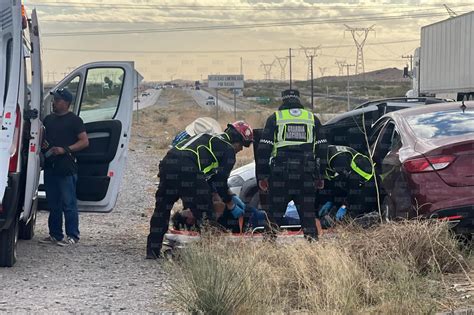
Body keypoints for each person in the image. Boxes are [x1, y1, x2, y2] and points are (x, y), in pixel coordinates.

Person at [146, 121, 254, 259]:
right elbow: (220, 182)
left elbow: (210, 178)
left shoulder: (208, 138)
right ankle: (209, 256)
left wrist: (228, 194)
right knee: (206, 214)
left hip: (168, 163)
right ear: (237, 140)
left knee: (162, 209)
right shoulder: (228, 151)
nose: (241, 150)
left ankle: (152, 251)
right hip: (188, 169)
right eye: (243, 145)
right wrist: (230, 203)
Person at [256, 89, 327, 240]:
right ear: (298, 100)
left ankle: (268, 246)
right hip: (306, 175)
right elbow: (322, 149)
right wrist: (321, 175)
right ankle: (313, 247)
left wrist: (262, 176)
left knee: (274, 215)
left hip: (281, 176)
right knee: (308, 215)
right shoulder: (312, 118)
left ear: (283, 100)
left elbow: (264, 149)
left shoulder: (275, 118)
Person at [39, 88, 89, 246]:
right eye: (54, 100)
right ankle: (55, 234)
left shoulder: (75, 121)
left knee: (69, 203)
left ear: (66, 103)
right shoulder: (48, 119)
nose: (54, 103)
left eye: (58, 100)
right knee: (53, 203)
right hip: (50, 167)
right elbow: (41, 137)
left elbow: (84, 141)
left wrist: (65, 149)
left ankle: (72, 236)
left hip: (66, 167)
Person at [317, 145, 375, 224]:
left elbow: (353, 184)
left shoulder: (337, 160)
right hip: (354, 181)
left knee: (352, 216)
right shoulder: (326, 158)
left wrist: (344, 206)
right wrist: (331, 201)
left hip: (366, 181)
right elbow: (335, 183)